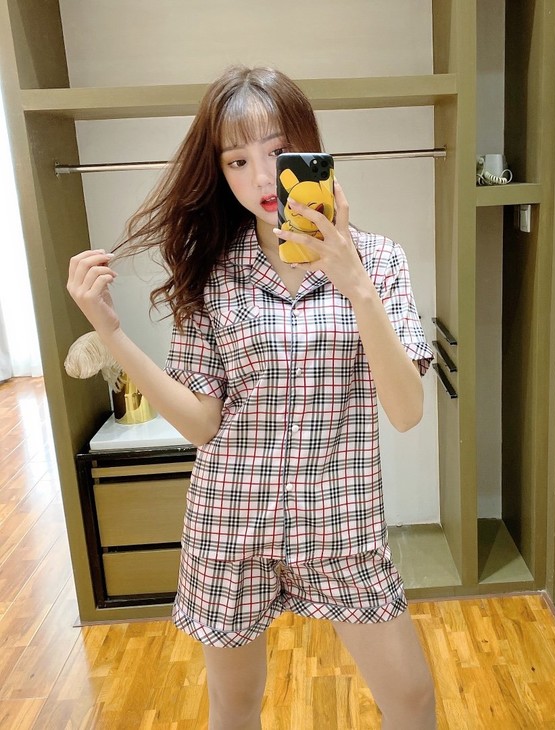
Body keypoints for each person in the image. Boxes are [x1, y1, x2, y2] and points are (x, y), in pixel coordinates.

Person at [67, 66, 436, 730]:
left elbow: (406, 412)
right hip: (231, 524)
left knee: (411, 701)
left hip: (341, 524)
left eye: (278, 151)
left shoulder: (380, 261)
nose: (263, 177)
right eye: (238, 160)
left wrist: (355, 285)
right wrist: (112, 334)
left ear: (311, 150)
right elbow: (201, 423)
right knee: (234, 707)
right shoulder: (211, 271)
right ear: (221, 172)